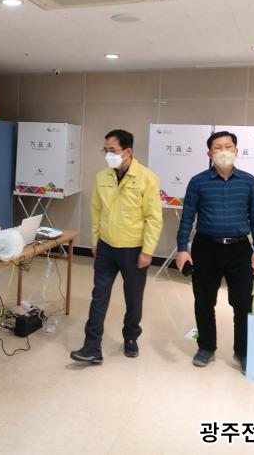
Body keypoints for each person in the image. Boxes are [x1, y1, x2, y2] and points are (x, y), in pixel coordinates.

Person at [175, 131, 254, 372]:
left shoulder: (248, 181)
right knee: (204, 301)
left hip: (239, 249)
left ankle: (243, 351)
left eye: (228, 146)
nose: (224, 151)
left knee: (243, 303)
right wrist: (182, 248)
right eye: (218, 147)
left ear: (236, 150)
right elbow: (187, 218)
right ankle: (206, 347)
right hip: (206, 248)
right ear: (209, 153)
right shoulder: (198, 181)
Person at [70, 129, 162, 363]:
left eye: (112, 150)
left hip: (134, 249)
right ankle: (92, 346)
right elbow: (96, 211)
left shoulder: (146, 178)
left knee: (133, 298)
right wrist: (95, 241)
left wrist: (147, 251)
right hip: (106, 248)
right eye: (105, 150)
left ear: (127, 151)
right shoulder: (102, 176)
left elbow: (153, 218)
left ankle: (131, 337)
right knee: (98, 296)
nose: (108, 154)